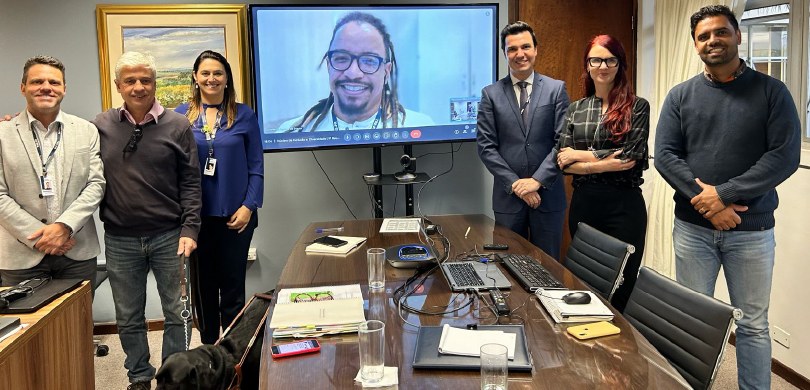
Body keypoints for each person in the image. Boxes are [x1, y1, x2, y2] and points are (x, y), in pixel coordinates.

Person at [654, 5, 801, 389]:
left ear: (737, 35)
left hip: (751, 232)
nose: (712, 41)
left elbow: (784, 156)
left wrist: (724, 194)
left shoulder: (772, 92)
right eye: (703, 36)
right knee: (690, 317)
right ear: (695, 45)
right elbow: (666, 155)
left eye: (720, 32)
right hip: (692, 230)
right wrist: (706, 202)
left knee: (752, 324)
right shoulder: (681, 95)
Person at [93, 51, 202, 390]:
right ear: (118, 85)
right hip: (120, 237)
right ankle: (138, 376)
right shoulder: (99, 126)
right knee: (128, 316)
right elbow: (64, 143)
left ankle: (172, 377)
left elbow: (191, 181)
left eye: (146, 80)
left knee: (178, 313)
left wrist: (190, 228)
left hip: (170, 235)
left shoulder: (178, 125)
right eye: (130, 81)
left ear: (155, 83)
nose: (139, 87)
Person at [175, 50, 264, 344]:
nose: (211, 79)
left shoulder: (244, 114)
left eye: (218, 73)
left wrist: (249, 206)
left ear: (227, 79)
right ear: (195, 77)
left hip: (236, 216)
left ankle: (234, 351)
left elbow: (256, 165)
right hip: (197, 219)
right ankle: (209, 350)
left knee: (233, 286)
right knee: (204, 290)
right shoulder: (179, 117)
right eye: (205, 73)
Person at [555, 35, 649, 312]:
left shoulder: (637, 106)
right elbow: (562, 160)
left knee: (622, 283)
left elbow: (630, 156)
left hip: (624, 206)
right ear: (588, 65)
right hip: (585, 204)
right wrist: (601, 163)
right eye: (596, 59)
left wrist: (581, 158)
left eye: (610, 59)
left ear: (620, 64)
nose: (603, 65)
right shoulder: (576, 108)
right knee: (585, 281)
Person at [0, 56, 105, 287]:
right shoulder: (2, 133)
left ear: (64, 89)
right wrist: (41, 236)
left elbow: (96, 184)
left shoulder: (87, 130)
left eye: (54, 82)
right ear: (23, 87)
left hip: (76, 252)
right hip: (20, 256)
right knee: (28, 324)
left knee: (77, 323)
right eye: (37, 81)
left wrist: (64, 227)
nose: (46, 87)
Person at [476, 21, 570, 259]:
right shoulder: (491, 94)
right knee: (507, 264)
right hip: (509, 199)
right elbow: (486, 148)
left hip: (548, 198)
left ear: (536, 49)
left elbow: (562, 142)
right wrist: (518, 185)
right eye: (512, 49)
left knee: (549, 266)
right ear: (505, 53)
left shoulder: (556, 89)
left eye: (526, 47)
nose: (520, 54)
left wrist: (537, 181)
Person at [278, 11, 433, 132]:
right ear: (328, 66)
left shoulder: (421, 127)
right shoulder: (290, 132)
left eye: (369, 60)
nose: (353, 73)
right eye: (341, 58)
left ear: (386, 72)